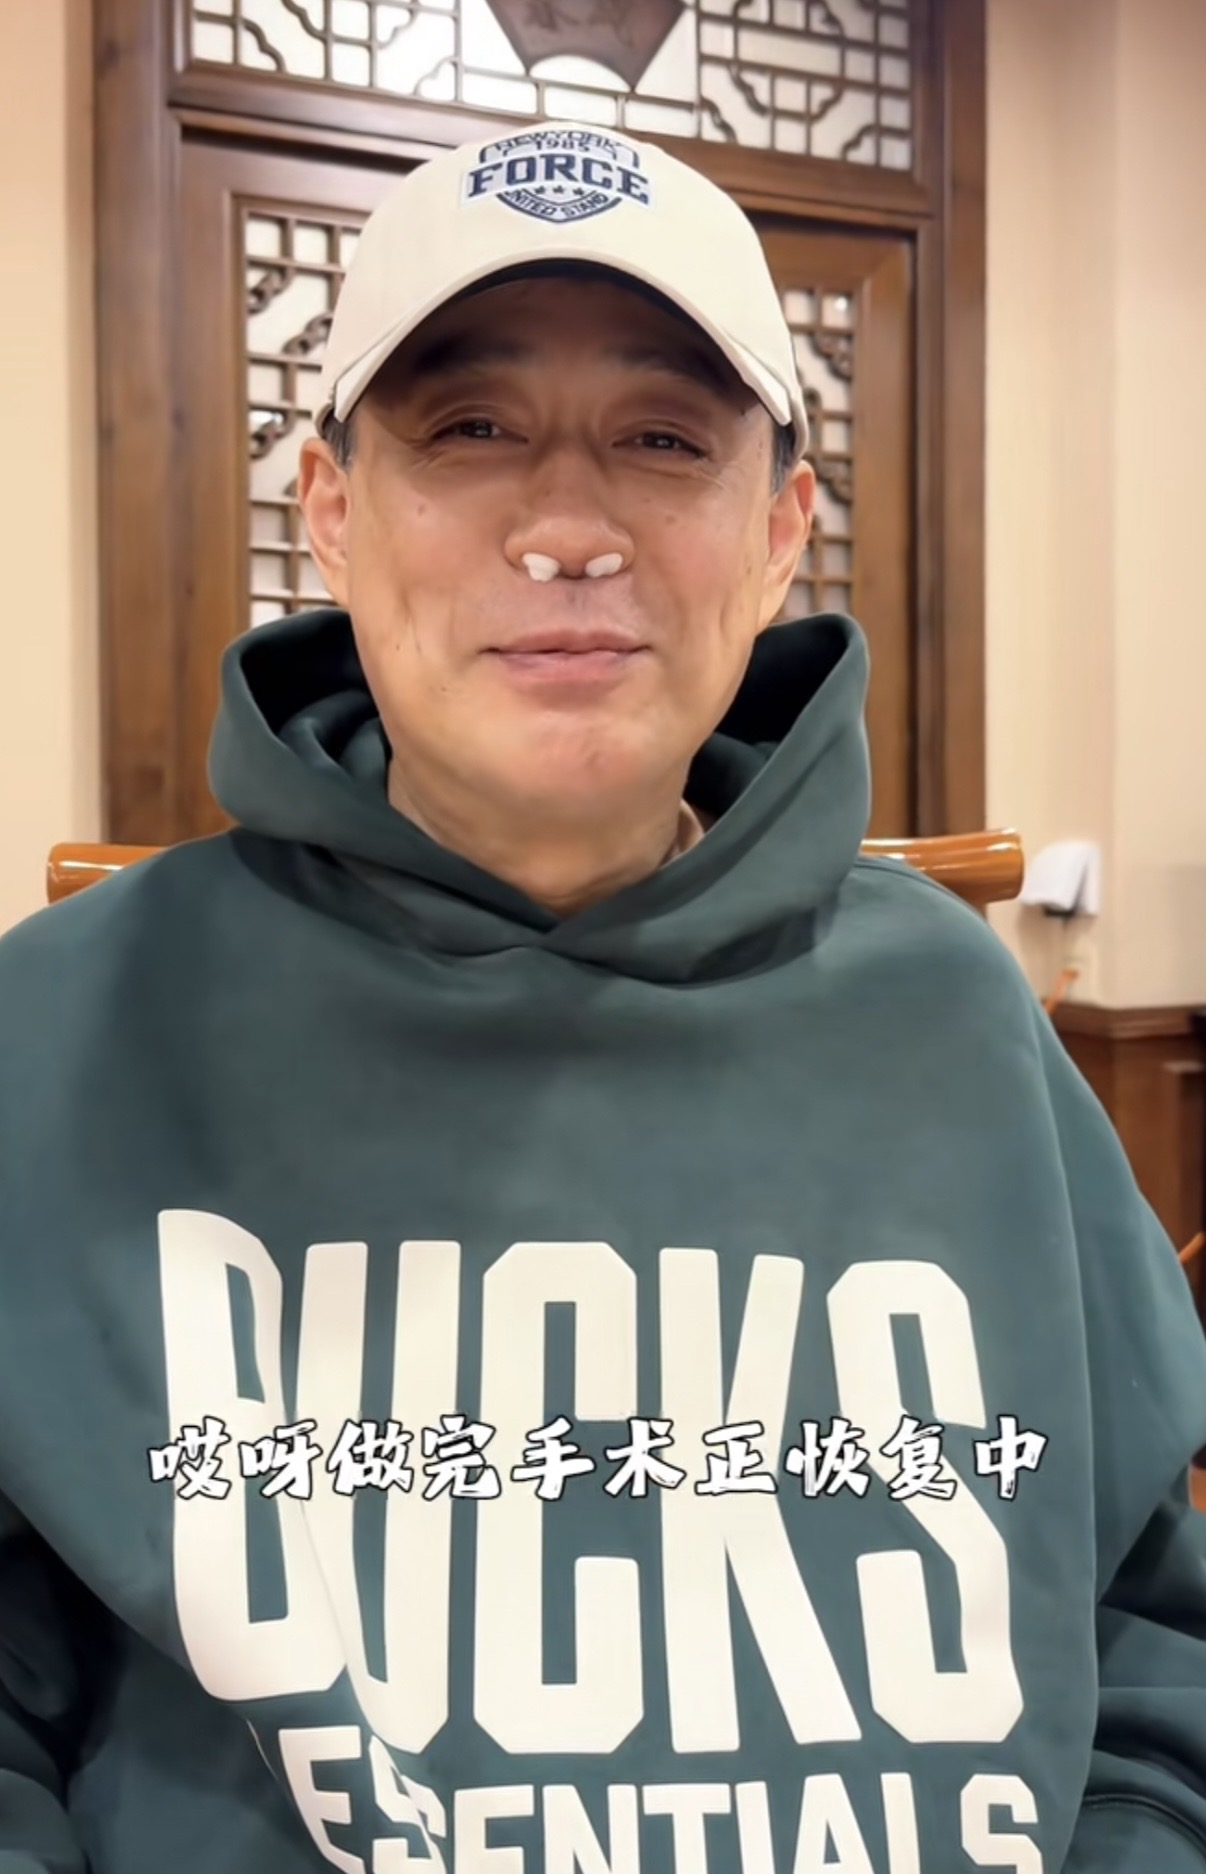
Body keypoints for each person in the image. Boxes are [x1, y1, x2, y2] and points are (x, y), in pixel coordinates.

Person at [0, 118, 1203, 1874]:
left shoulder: (957, 1020)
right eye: (470, 429)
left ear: (779, 531)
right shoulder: (69, 1027)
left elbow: (1141, 1627)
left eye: (660, 440)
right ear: (331, 510)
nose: (567, 529)